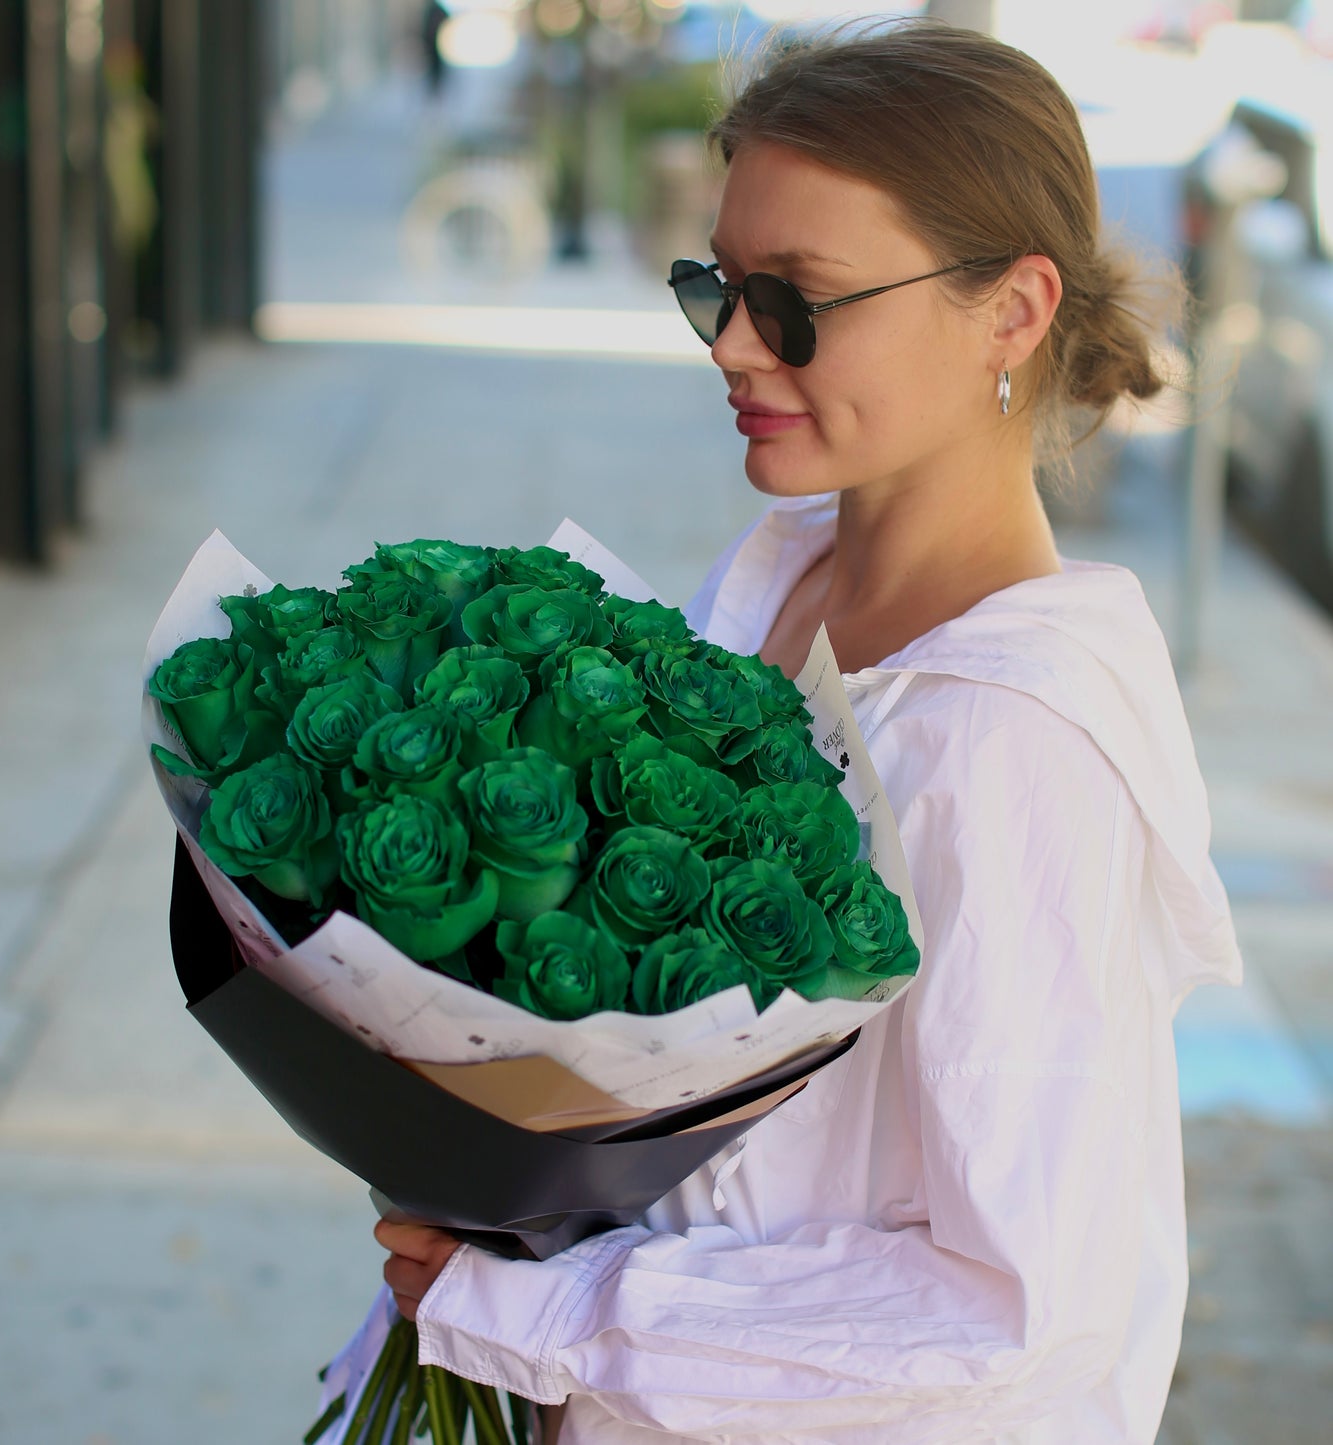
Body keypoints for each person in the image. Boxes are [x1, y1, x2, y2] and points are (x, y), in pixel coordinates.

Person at [372, 21, 1242, 1443]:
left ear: (1010, 314)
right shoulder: (776, 578)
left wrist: (542, 1308)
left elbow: (1005, 1304)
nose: (730, 341)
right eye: (714, 284)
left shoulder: (1009, 744)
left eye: (798, 299)